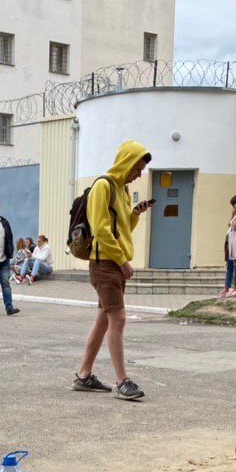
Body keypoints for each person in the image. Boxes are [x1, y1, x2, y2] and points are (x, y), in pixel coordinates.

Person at [72, 140, 154, 401]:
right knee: (117, 319)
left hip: (113, 264)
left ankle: (84, 375)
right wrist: (121, 261)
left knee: (103, 320)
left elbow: (121, 228)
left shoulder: (122, 190)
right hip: (105, 264)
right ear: (126, 163)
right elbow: (100, 230)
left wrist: (135, 215)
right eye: (137, 168)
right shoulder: (103, 186)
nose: (139, 174)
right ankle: (122, 381)